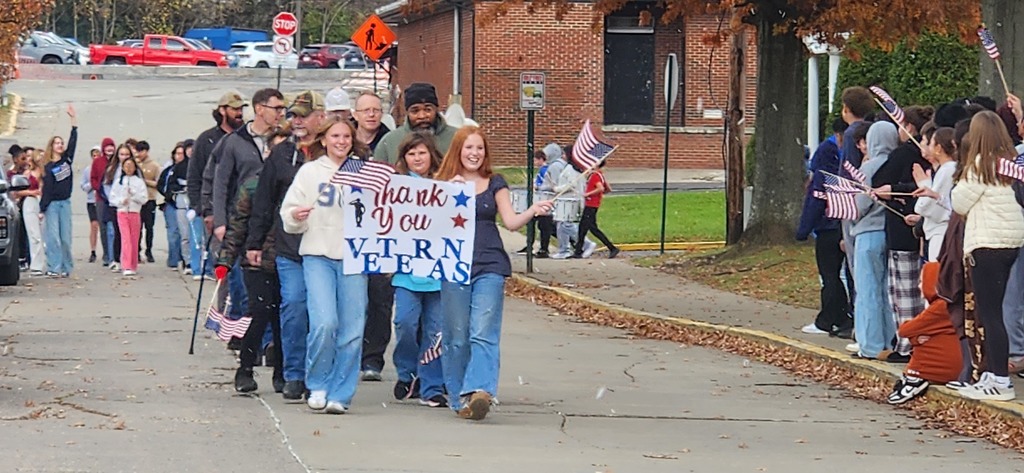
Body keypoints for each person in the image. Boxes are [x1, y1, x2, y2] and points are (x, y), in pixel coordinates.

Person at [435, 126, 553, 420]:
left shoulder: (495, 182)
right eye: (469, 148)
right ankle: (459, 395)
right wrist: (449, 191)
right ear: (458, 150)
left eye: (480, 148)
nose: (474, 154)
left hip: (490, 264)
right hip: (453, 265)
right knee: (457, 336)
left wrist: (534, 210)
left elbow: (511, 222)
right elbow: (429, 224)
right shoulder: (442, 183)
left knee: (483, 332)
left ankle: (481, 391)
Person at [280, 116, 372, 414]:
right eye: (335, 136)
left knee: (352, 329)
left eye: (346, 136)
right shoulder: (309, 172)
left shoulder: (364, 171)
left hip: (354, 256)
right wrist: (297, 215)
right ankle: (317, 382)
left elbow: (384, 210)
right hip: (317, 254)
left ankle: (341, 392)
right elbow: (289, 213)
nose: (341, 142)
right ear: (324, 140)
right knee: (324, 323)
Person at [247, 90, 326, 401]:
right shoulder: (282, 155)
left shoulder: (336, 153)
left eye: (304, 115)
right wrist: (254, 242)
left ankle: (318, 370)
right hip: (290, 248)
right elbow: (264, 200)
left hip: (326, 246)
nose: (297, 121)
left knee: (321, 313)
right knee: (293, 305)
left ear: (321, 117)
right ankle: (294, 374)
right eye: (293, 115)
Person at [951, 110, 1024, 401]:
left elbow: (959, 202)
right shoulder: (1008, 165)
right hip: (1010, 242)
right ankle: (993, 375)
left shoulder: (980, 165)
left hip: (987, 243)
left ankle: (1000, 381)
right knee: (997, 311)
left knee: (990, 314)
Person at [209, 88, 284, 334]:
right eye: (276, 108)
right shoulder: (234, 142)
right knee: (244, 287)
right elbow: (221, 183)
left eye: (283, 109)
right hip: (243, 220)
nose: (280, 114)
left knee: (271, 288)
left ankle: (266, 341)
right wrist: (220, 221)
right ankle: (240, 334)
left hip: (274, 223)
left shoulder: (285, 140)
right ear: (259, 108)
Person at [390, 132, 447, 406]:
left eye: (422, 153)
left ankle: (432, 384)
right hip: (406, 271)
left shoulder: (446, 186)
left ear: (431, 155)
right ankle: (407, 371)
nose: (417, 158)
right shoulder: (397, 188)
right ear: (405, 158)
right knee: (405, 322)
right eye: (412, 154)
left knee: (436, 330)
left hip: (438, 273)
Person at [217, 173, 284, 394]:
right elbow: (238, 224)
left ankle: (282, 370)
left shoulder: (302, 180)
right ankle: (246, 366)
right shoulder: (253, 185)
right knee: (260, 309)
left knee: (284, 315)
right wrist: (226, 260)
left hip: (289, 259)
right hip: (256, 259)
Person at [797, 118, 851, 337]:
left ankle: (828, 320)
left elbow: (817, 195)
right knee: (841, 275)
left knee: (829, 275)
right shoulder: (850, 159)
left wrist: (803, 229)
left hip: (829, 224)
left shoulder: (826, 154)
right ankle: (842, 316)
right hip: (845, 222)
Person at [851, 121, 899, 360]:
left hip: (868, 232)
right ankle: (891, 340)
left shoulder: (868, 168)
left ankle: (869, 344)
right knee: (889, 291)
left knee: (867, 289)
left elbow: (858, 206)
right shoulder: (899, 163)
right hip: (891, 233)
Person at [887, 262, 963, 404]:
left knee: (926, 344)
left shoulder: (941, 306)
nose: (919, 286)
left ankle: (916, 378)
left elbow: (905, 330)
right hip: (959, 364)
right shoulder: (951, 303)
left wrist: (914, 337)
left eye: (922, 281)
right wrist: (916, 338)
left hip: (946, 365)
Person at [188, 91, 246, 280]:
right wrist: (203, 209)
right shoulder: (207, 139)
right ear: (222, 110)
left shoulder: (246, 136)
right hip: (216, 210)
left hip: (242, 209)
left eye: (241, 109)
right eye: (234, 109)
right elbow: (195, 176)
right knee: (223, 265)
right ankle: (224, 306)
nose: (239, 113)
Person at [374, 83, 457, 165]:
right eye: (415, 111)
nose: (422, 116)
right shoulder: (389, 142)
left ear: (436, 110)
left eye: (428, 110)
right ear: (407, 112)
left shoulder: (457, 138)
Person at [39, 104, 78, 278]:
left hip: (65, 203)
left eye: (61, 143)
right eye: (57, 143)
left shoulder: (66, 160)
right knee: (53, 237)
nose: (60, 145)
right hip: (52, 205)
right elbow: (47, 189)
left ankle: (66, 267)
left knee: (65, 238)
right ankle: (54, 267)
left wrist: (73, 121)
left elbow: (73, 141)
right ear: (51, 146)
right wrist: (42, 208)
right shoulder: (48, 167)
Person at [552, 146, 596, 259]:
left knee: (565, 224)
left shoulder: (571, 169)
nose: (562, 156)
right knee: (563, 224)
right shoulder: (574, 168)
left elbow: (571, 185)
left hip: (570, 200)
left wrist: (556, 189)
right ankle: (564, 248)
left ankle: (582, 244)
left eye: (564, 154)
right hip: (568, 200)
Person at [109, 154, 148, 277]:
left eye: (131, 166)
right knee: (125, 238)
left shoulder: (139, 182)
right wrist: (121, 201)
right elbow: (112, 198)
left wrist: (134, 195)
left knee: (134, 238)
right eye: (126, 166)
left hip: (135, 212)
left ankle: (133, 264)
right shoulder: (118, 181)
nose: (129, 168)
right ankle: (125, 265)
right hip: (122, 212)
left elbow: (144, 198)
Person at [572, 160, 618, 258]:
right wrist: (599, 196)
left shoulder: (595, 176)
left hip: (591, 205)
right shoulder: (600, 175)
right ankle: (578, 251)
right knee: (583, 228)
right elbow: (608, 189)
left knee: (590, 228)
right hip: (593, 204)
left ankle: (612, 248)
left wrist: (588, 194)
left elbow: (600, 188)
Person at [516, 150, 555, 257]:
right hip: (539, 200)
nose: (535, 162)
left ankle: (543, 248)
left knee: (543, 226)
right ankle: (530, 245)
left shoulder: (545, 171)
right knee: (533, 223)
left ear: (541, 159)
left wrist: (537, 187)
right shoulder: (542, 170)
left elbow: (548, 184)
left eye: (536, 160)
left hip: (543, 200)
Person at [159, 144, 190, 271]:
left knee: (186, 234)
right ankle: (173, 260)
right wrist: (170, 195)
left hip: (187, 204)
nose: (180, 156)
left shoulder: (191, 168)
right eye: (177, 153)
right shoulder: (169, 170)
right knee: (173, 233)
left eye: (182, 153)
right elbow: (162, 185)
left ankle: (185, 260)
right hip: (172, 204)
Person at [21, 150, 45, 276]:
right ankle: (36, 265)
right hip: (30, 202)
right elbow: (17, 192)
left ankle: (46, 262)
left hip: (43, 202)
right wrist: (31, 192)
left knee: (43, 234)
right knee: (34, 235)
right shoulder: (27, 173)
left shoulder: (45, 173)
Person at [136, 141, 160, 263]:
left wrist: (145, 181)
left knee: (149, 227)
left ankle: (149, 250)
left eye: (142, 151)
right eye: (138, 151)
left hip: (150, 199)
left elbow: (158, 183)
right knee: (138, 228)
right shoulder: (135, 164)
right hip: (138, 201)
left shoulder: (154, 165)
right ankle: (137, 251)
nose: (140, 154)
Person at [91, 137, 114, 266]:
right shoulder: (98, 162)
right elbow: (93, 178)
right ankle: (106, 253)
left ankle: (113, 254)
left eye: (111, 146)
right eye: (107, 147)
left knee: (113, 227)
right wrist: (98, 188)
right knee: (103, 227)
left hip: (115, 198)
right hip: (101, 198)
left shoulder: (116, 162)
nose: (110, 149)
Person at [82, 146, 101, 263]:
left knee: (105, 227)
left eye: (98, 155)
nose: (96, 158)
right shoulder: (88, 170)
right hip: (91, 201)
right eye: (94, 156)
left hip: (102, 200)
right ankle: (93, 251)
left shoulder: (106, 168)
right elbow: (83, 186)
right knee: (94, 225)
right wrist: (91, 184)